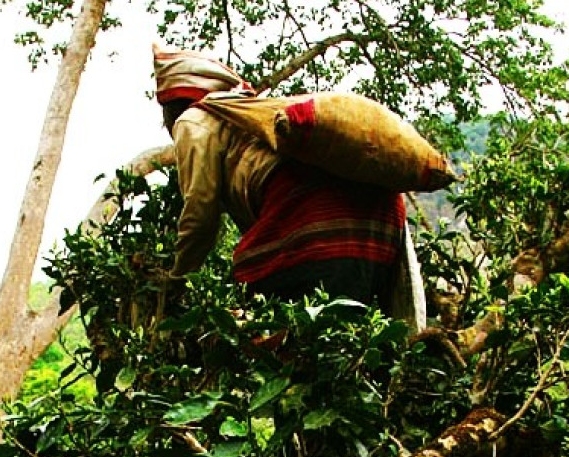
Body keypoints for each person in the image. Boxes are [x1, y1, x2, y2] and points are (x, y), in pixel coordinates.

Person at [153, 45, 426, 329]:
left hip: (316, 218)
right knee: (352, 346)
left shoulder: (195, 120)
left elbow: (200, 212)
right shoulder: (252, 115)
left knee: (267, 339)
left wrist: (178, 282)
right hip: (382, 222)